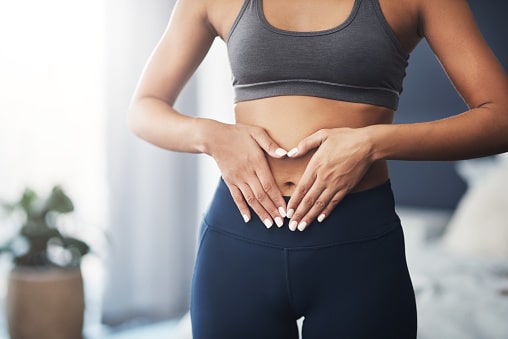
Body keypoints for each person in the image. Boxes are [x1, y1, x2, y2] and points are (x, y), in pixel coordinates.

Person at [128, 0, 508, 337]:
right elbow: (144, 108)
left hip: (357, 247)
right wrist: (212, 136)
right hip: (238, 241)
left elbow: (501, 119)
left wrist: (370, 143)